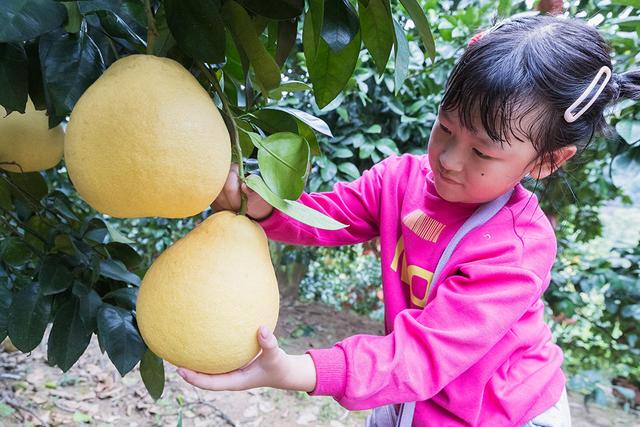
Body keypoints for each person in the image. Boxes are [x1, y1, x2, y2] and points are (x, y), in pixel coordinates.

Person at [176, 13, 640, 427]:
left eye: (481, 151)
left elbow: (425, 353)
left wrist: (301, 370)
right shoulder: (400, 180)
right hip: (410, 399)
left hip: (500, 412)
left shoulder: (516, 249)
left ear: (547, 161)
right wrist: (264, 205)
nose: (449, 160)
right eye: (446, 127)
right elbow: (332, 215)